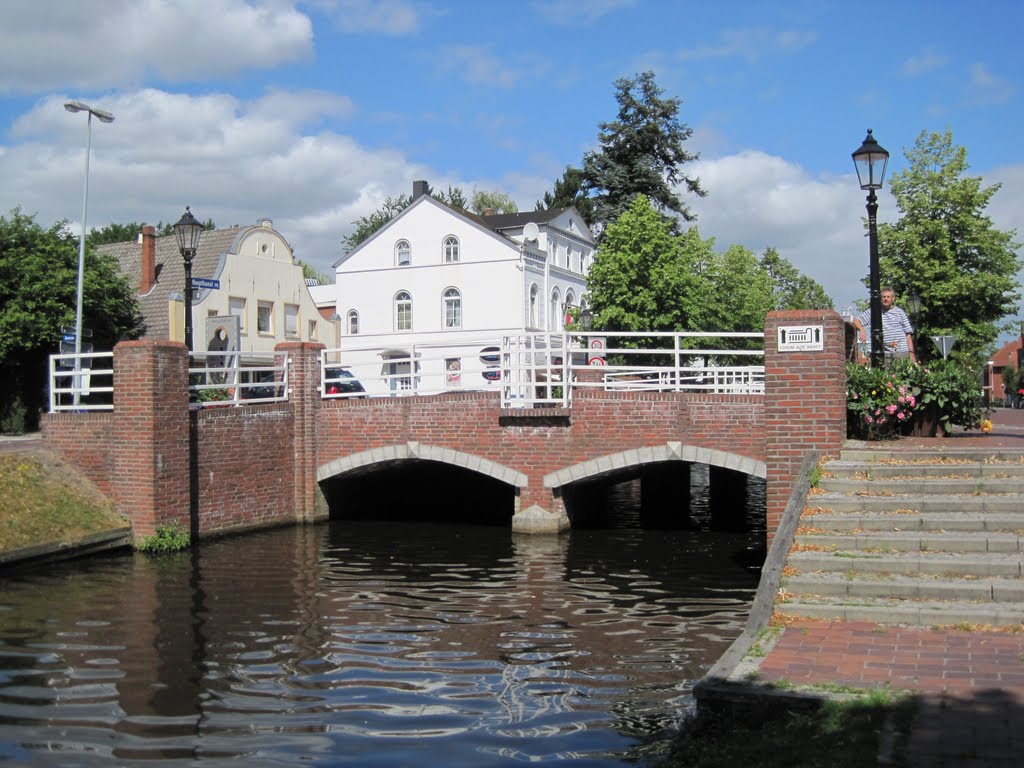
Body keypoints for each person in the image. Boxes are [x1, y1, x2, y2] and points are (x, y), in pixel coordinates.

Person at [853, 287, 916, 363]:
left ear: (893, 298)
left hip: (902, 351)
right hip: (886, 352)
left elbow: (908, 334)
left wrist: (911, 353)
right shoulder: (875, 311)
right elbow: (856, 320)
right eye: (884, 297)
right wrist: (862, 330)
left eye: (888, 297)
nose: (886, 299)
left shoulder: (900, 312)